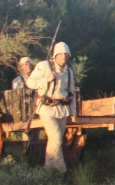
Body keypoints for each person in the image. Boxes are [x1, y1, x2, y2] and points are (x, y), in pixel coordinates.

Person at [26, 42, 78, 172]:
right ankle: (62, 170)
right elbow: (30, 82)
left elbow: (71, 93)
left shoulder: (69, 71)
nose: (64, 57)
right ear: (55, 54)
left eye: (66, 54)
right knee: (56, 138)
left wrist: (73, 112)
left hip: (62, 109)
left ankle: (48, 169)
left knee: (55, 140)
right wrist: (46, 80)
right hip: (46, 108)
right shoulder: (44, 66)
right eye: (61, 54)